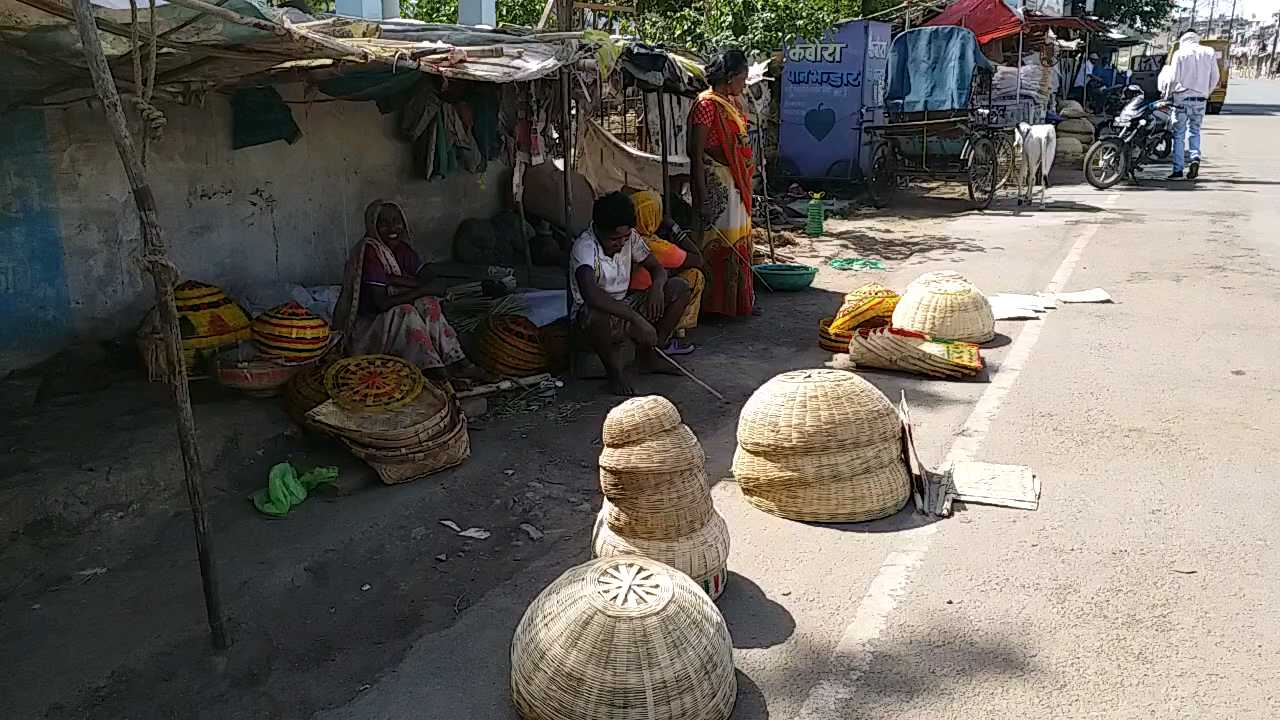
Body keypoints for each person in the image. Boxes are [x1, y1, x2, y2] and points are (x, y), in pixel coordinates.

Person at [334, 200, 494, 384]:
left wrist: (411, 281)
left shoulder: (401, 248)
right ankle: (436, 373)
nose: (392, 228)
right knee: (407, 312)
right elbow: (381, 303)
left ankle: (459, 363)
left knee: (428, 303)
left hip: (389, 321)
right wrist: (421, 288)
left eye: (397, 221)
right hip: (368, 330)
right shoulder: (370, 251)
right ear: (373, 226)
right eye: (383, 223)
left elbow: (425, 275)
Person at [571, 191, 692, 396]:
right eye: (614, 239)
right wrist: (636, 318)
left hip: (624, 307)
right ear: (598, 230)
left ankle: (650, 355)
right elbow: (591, 296)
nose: (621, 243)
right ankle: (614, 374)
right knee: (594, 314)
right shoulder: (584, 247)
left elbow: (657, 269)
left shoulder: (630, 239)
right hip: (593, 317)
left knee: (679, 288)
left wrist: (657, 287)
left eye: (625, 237)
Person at [689, 49, 755, 318]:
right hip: (717, 184)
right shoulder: (707, 105)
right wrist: (703, 197)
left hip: (735, 183)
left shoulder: (730, 104)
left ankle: (736, 302)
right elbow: (696, 153)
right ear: (729, 78)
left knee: (738, 241)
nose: (744, 84)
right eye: (743, 78)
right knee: (719, 243)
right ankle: (714, 307)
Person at [628, 190, 705, 355]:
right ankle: (666, 338)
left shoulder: (628, 236)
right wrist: (674, 227)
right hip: (640, 303)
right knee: (694, 276)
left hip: (627, 295)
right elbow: (698, 259)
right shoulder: (656, 246)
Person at [1161, 31, 1220, 181]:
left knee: (1179, 135)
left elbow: (1173, 78)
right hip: (1200, 99)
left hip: (1181, 98)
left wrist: (1167, 95)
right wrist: (1207, 92)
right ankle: (1194, 157)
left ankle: (1178, 170)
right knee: (1195, 131)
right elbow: (1215, 77)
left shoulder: (1179, 54)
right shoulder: (1209, 52)